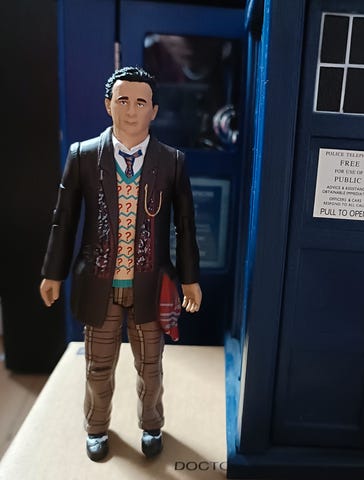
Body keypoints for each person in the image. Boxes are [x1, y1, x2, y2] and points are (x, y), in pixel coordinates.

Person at [39, 66, 202, 462]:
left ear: (154, 110)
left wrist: (189, 279)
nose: (131, 110)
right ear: (107, 105)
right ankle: (96, 427)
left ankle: (151, 425)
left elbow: (184, 224)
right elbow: (64, 220)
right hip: (100, 284)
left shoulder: (171, 162)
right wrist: (53, 272)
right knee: (98, 366)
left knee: (151, 367)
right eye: (123, 100)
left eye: (141, 102)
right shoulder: (83, 156)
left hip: (150, 284)